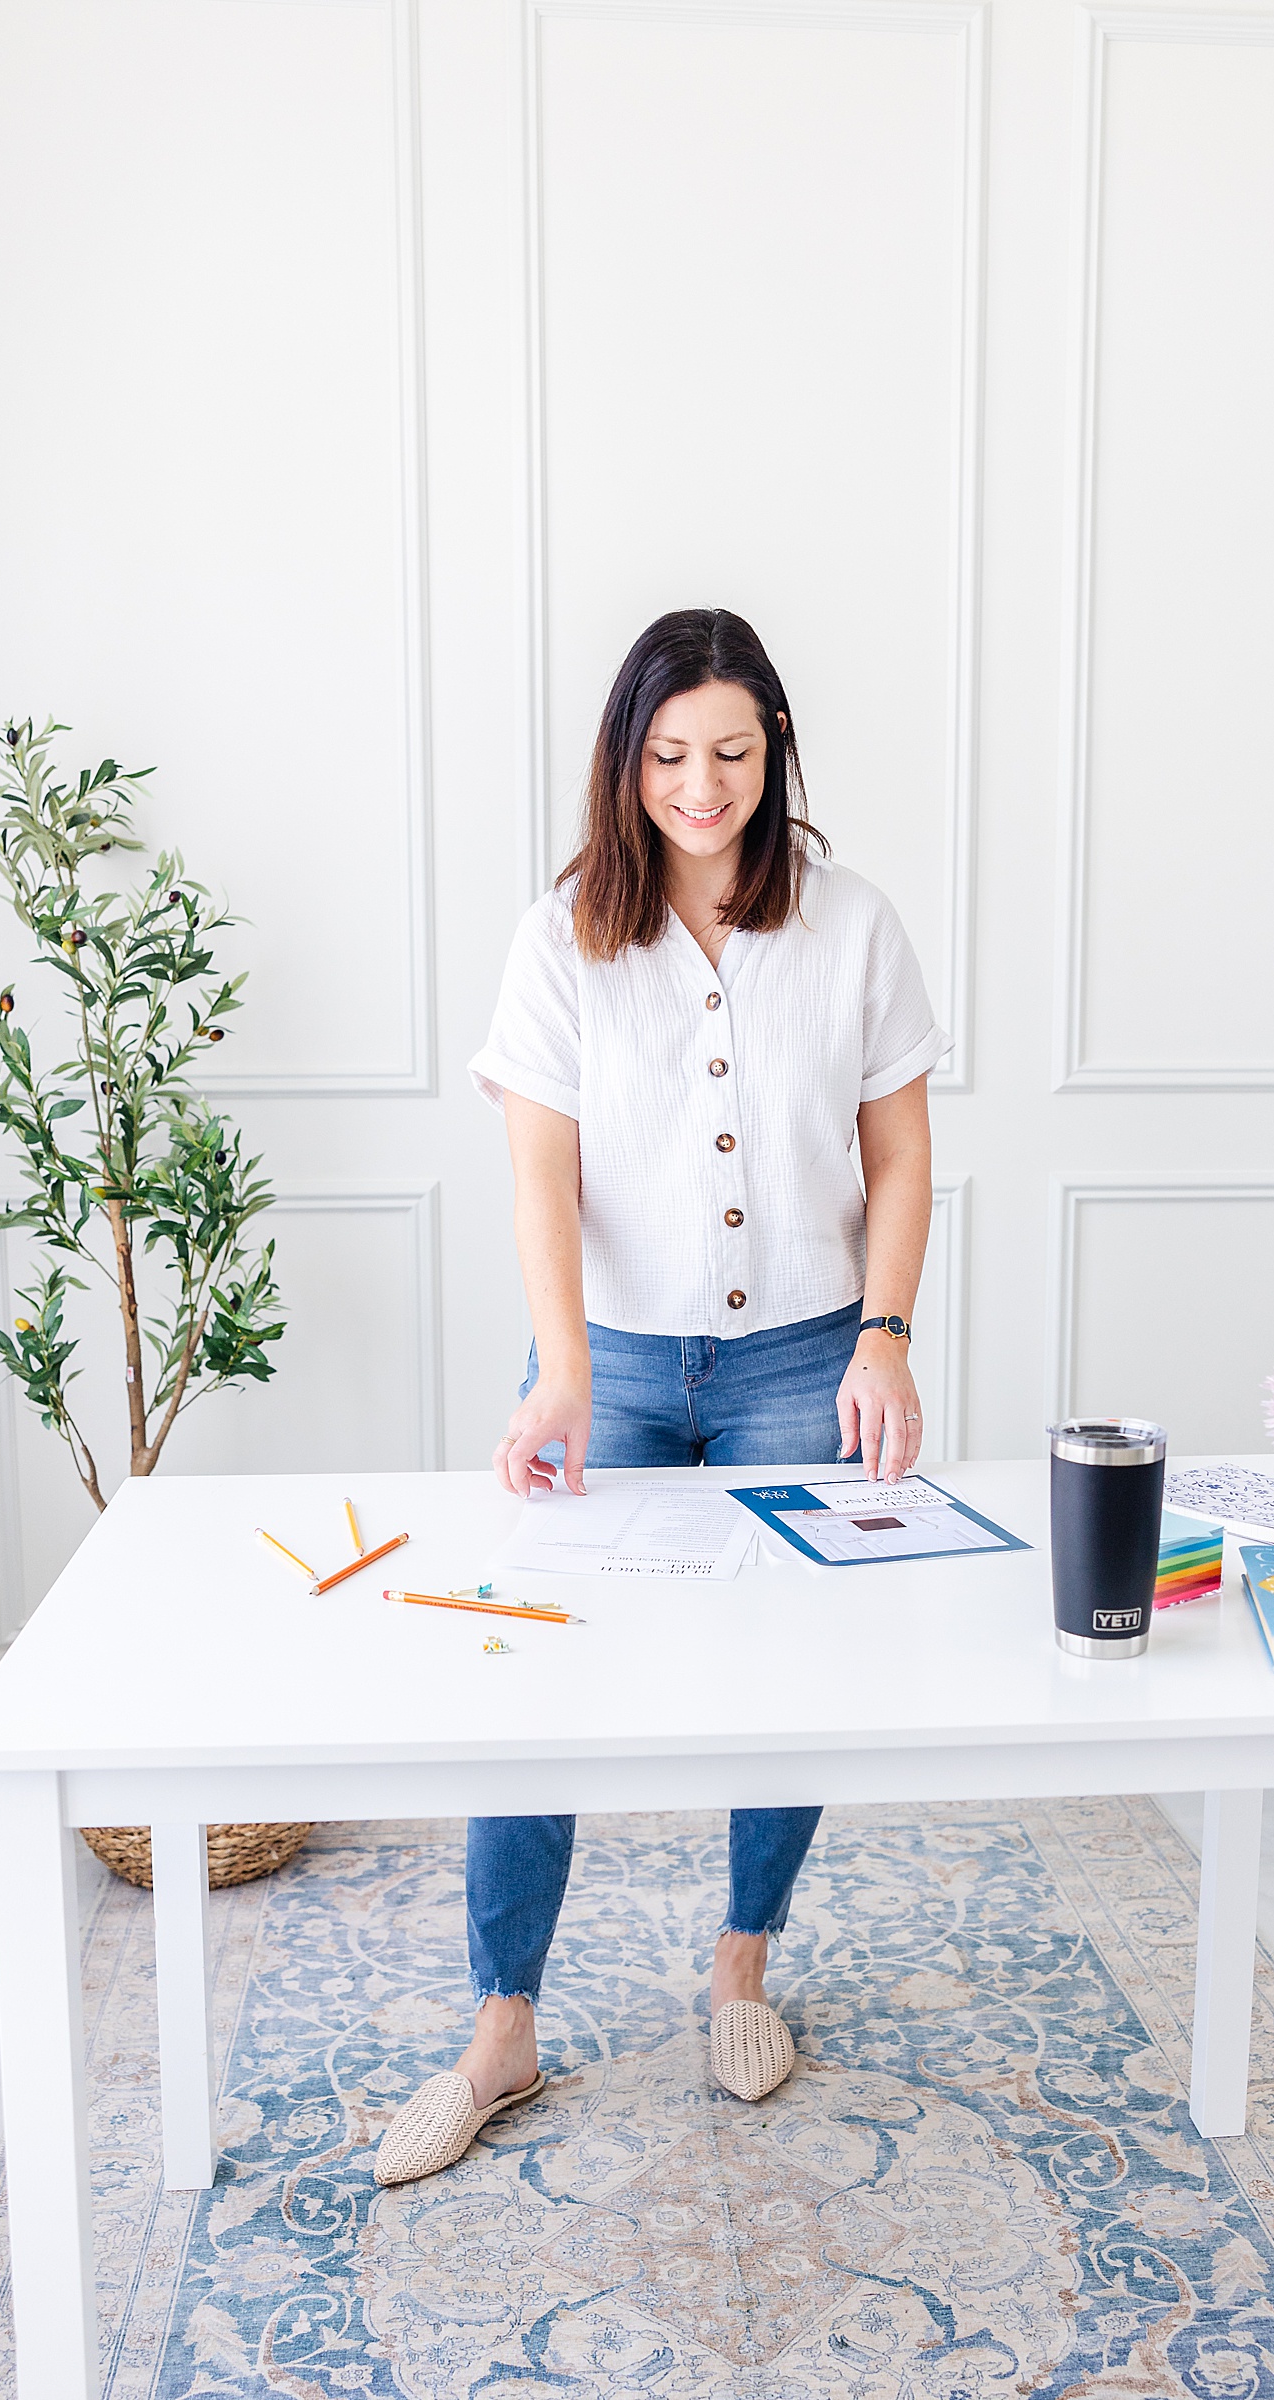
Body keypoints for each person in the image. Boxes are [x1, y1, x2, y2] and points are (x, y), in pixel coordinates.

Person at [375, 607, 947, 2187]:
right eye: (672, 755)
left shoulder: (855, 924)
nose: (703, 787)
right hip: (608, 1363)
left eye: (734, 754)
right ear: (627, 762)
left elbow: (899, 1159)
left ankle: (742, 1966)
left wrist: (883, 1335)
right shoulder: (560, 934)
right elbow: (541, 1177)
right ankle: (505, 2026)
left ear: (775, 752)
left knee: (796, 1676)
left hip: (804, 1357)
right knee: (527, 1686)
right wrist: (560, 1370)